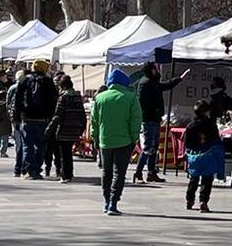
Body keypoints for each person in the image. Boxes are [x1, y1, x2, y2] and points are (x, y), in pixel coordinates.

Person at [90, 67, 141, 215]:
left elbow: (94, 121)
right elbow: (136, 120)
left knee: (107, 171)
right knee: (119, 172)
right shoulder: (131, 97)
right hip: (125, 141)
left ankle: (106, 201)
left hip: (105, 140)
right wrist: (134, 138)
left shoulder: (99, 98)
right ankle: (113, 202)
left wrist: (95, 137)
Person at [132, 61, 187, 184]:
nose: (158, 71)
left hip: (154, 120)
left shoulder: (152, 83)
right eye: (156, 69)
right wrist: (155, 110)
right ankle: (138, 173)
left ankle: (151, 172)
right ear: (151, 70)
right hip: (148, 120)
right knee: (148, 148)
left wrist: (179, 79)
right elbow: (143, 103)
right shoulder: (145, 83)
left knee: (154, 147)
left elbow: (165, 85)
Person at [14, 59, 58, 180]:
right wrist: (50, 117)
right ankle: (37, 168)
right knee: (41, 145)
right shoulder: (48, 82)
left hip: (27, 117)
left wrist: (17, 117)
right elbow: (54, 101)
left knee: (27, 145)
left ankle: (31, 170)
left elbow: (17, 100)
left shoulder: (24, 80)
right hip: (43, 119)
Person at [182, 100, 226, 212]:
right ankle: (203, 201)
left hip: (194, 156)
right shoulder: (211, 124)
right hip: (208, 155)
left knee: (193, 178)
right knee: (207, 179)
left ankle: (189, 200)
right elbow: (216, 140)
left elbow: (187, 143)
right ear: (206, 112)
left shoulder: (190, 126)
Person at [51, 74, 86, 184]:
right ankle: (69, 173)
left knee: (63, 154)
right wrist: (82, 127)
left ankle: (65, 175)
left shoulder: (63, 97)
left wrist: (50, 127)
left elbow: (58, 114)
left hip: (64, 128)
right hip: (75, 128)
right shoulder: (77, 97)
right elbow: (82, 114)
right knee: (69, 152)